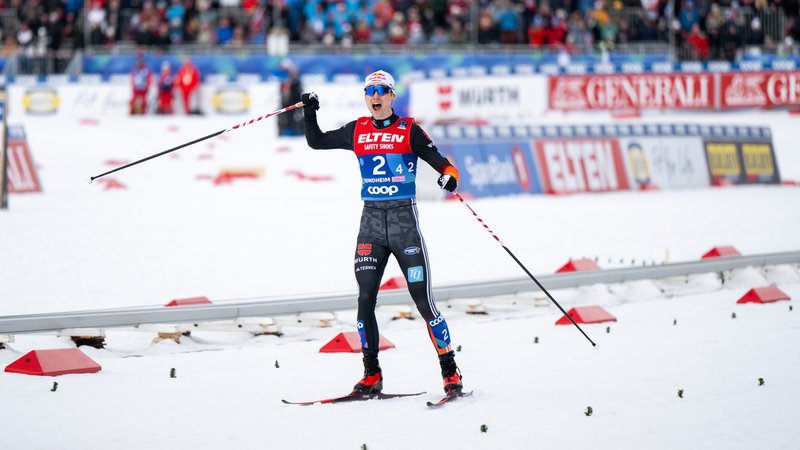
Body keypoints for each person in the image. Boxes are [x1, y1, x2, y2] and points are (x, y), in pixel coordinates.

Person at [302, 70, 464, 396]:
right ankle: (371, 374)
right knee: (364, 301)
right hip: (371, 225)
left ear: (392, 96)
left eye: (381, 91)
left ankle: (450, 371)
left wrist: (449, 177)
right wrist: (310, 110)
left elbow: (445, 164)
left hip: (404, 223)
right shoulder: (357, 129)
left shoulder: (409, 130)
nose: (375, 97)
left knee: (423, 301)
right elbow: (317, 141)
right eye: (369, 91)